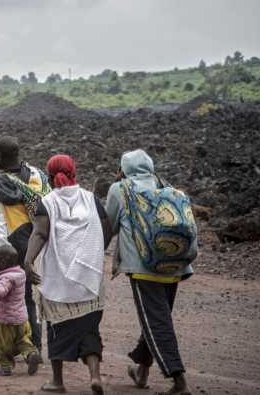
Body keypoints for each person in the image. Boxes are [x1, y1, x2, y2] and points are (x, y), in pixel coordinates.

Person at [106, 150, 195, 395]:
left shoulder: (120, 189)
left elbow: (109, 226)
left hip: (143, 267)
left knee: (157, 321)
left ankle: (179, 380)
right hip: (174, 264)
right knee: (157, 317)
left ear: (123, 169)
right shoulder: (165, 186)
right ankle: (141, 372)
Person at [23, 154, 110, 393]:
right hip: (89, 277)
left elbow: (39, 234)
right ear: (74, 173)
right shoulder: (90, 199)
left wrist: (28, 260)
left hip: (58, 279)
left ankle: (57, 381)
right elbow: (107, 229)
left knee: (57, 327)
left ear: (50, 177)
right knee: (89, 328)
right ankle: (94, 376)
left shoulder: (47, 202)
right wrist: (92, 253)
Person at [0, 136, 50, 348]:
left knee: (11, 299)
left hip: (10, 248)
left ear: (0, 157)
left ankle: (16, 344)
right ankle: (36, 343)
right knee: (30, 297)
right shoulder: (38, 176)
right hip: (39, 243)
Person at [0, 245, 42, 376]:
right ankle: (31, 354)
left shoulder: (6, 278)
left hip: (6, 320)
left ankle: (6, 367)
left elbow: (0, 293)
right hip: (22, 319)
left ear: (2, 262)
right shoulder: (20, 274)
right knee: (22, 341)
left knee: (0, 344)